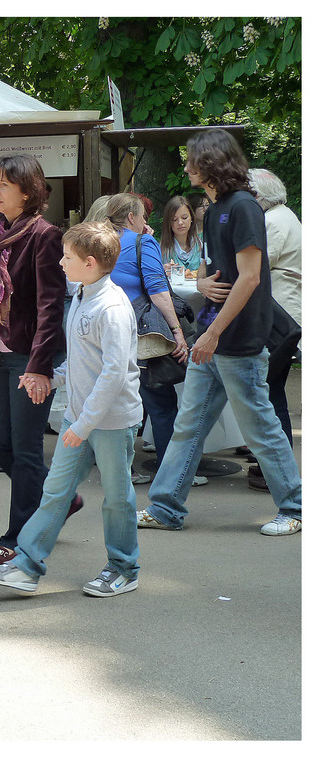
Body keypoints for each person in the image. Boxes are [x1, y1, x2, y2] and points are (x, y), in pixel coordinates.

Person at [137, 129, 302, 536]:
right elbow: (217, 271)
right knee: (188, 426)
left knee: (260, 428)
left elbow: (249, 279)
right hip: (215, 337)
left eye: (192, 159)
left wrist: (212, 334)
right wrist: (205, 283)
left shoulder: (243, 206)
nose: (186, 166)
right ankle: (166, 508)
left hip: (237, 340)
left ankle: (296, 508)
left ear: (211, 164)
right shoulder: (215, 208)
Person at [0, 221, 142, 596]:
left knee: (117, 499)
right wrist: (53, 378)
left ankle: (124, 568)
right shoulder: (85, 296)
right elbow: (86, 362)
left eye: (66, 257)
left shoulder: (112, 308)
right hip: (83, 420)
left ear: (89, 262)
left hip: (110, 423)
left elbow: (114, 374)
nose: (60, 263)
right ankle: (26, 564)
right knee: (55, 492)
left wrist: (82, 424)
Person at [0, 154, 75, 568]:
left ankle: (18, 539)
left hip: (30, 356)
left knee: (24, 451)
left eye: (3, 185)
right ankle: (58, 498)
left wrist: (39, 366)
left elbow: (49, 307)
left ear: (28, 191)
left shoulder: (45, 235)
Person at [101, 194, 203, 486]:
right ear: (132, 218)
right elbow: (158, 290)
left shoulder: (101, 239)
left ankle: (118, 469)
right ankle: (173, 475)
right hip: (139, 331)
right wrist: (177, 332)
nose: (147, 223)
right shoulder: (142, 243)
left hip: (105, 329)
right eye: (143, 217)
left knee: (117, 401)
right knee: (160, 402)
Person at [244, 168, 301, 490]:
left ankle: (276, 469)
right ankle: (270, 461)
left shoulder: (273, 222)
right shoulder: (285, 217)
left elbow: (254, 267)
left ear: (258, 197)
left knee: (269, 392)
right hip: (284, 313)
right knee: (269, 390)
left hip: (279, 317)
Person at [160, 195, 204, 274]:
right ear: (168, 222)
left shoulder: (200, 246)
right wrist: (162, 271)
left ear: (191, 218)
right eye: (174, 219)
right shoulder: (162, 250)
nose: (180, 223)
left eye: (184, 217)